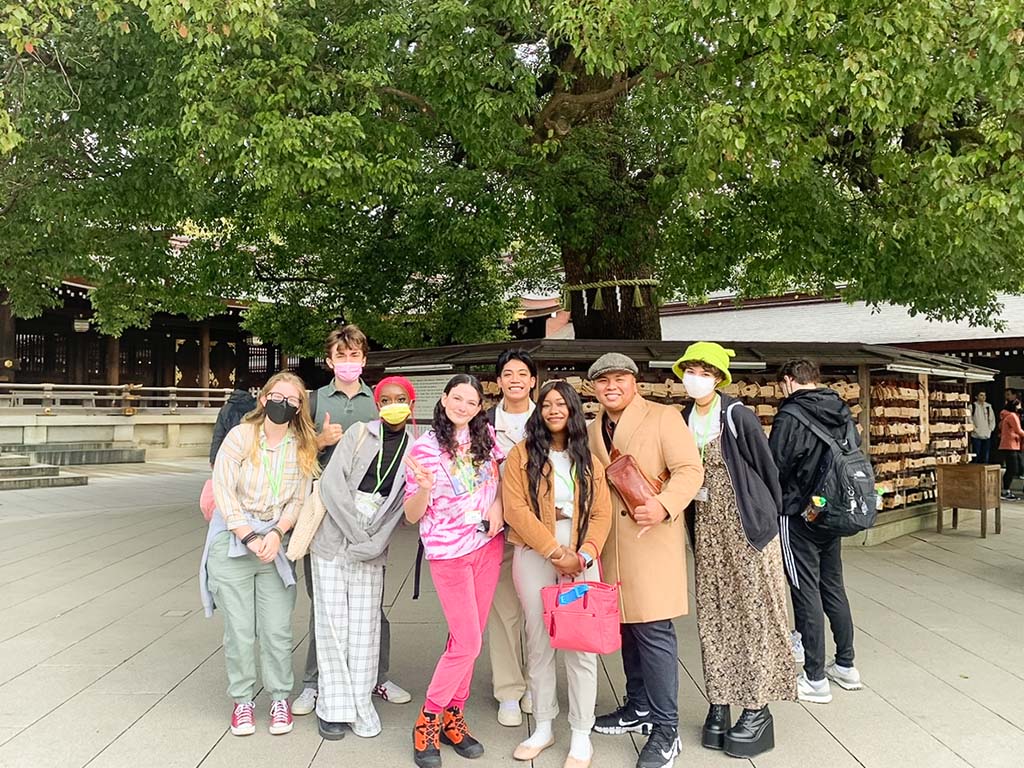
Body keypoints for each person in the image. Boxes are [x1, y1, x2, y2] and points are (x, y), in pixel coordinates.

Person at [674, 344, 795, 758]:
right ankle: (720, 698)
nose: (695, 376)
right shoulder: (681, 419)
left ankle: (756, 705)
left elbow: (766, 471)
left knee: (755, 613)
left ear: (719, 377)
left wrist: (765, 519)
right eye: (689, 369)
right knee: (714, 613)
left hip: (747, 530)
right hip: (706, 532)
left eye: (703, 370)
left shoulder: (736, 415)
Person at [586, 353, 704, 768]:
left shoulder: (663, 417)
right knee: (626, 631)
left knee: (653, 632)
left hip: (650, 538)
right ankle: (637, 706)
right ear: (593, 388)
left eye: (619, 378)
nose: (611, 387)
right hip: (611, 547)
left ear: (634, 382)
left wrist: (665, 505)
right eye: (602, 381)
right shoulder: (590, 429)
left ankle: (667, 730)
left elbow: (690, 470)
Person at [295, 325, 412, 718]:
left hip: (370, 513)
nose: (348, 363)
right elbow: (288, 449)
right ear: (329, 361)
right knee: (323, 603)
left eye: (355, 355)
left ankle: (376, 674)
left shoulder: (377, 400)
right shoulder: (313, 400)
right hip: (323, 509)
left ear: (365, 359)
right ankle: (316, 682)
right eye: (340, 356)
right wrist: (319, 441)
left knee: (369, 604)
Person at [200, 372, 319, 737]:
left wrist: (279, 532)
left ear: (300, 406)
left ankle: (280, 696)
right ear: (264, 398)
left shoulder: (301, 445)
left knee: (277, 628)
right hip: (234, 538)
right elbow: (224, 489)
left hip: (275, 543)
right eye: (277, 396)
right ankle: (242, 701)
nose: (284, 404)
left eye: (293, 399)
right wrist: (248, 534)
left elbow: (299, 498)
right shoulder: (241, 436)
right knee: (239, 629)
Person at [502, 381, 612, 768]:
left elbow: (602, 513)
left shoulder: (588, 460)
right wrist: (553, 551)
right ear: (539, 411)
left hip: (582, 557)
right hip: (535, 555)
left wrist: (582, 555)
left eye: (560, 404)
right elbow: (515, 510)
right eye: (546, 404)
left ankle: (581, 733)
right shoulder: (520, 456)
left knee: (581, 644)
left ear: (572, 410)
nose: (553, 410)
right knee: (539, 641)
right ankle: (544, 725)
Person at [405, 374, 506, 768]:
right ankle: (427, 717)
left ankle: (454, 715)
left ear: (480, 406)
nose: (463, 406)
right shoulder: (424, 449)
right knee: (467, 642)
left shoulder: (487, 438)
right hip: (448, 554)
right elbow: (412, 515)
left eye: (471, 401)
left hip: (487, 545)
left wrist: (496, 508)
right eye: (457, 398)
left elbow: (497, 483)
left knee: (469, 638)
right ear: (444, 399)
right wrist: (425, 487)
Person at [311, 376, 418, 739]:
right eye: (386, 399)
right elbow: (331, 485)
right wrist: (357, 535)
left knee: (364, 628)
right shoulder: (359, 433)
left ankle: (360, 702)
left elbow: (402, 505)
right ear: (377, 404)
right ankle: (332, 706)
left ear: (411, 403)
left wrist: (374, 542)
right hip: (333, 536)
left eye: (400, 398)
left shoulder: (415, 448)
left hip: (376, 540)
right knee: (331, 624)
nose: (393, 404)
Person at [769, 359, 863, 705]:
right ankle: (846, 664)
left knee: (804, 591)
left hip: (797, 513)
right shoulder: (841, 409)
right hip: (832, 510)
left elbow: (774, 467)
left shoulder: (790, 415)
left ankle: (814, 678)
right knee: (833, 586)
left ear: (789, 381)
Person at [484, 349, 536, 727]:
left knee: (538, 612)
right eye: (507, 373)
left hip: (540, 533)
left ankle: (538, 683)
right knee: (504, 614)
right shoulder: (482, 424)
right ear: (498, 381)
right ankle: (508, 691)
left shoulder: (552, 418)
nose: (515, 378)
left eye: (522, 373)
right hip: (497, 533)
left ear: (533, 380)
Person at [209, 374, 261, 466]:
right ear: (249, 390)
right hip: (251, 450)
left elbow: (218, 435)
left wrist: (214, 458)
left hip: (230, 449)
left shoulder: (226, 408)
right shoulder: (255, 407)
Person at [998, 393, 1024, 500]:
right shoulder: (1012, 416)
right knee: (1012, 469)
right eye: (1019, 406)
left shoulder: (1009, 416)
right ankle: (1005, 491)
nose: (1020, 408)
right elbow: (1018, 430)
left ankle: (1006, 490)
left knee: (1016, 467)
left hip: (1012, 445)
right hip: (1010, 445)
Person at [970, 390, 996, 464]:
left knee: (985, 456)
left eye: (984, 395)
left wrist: (990, 429)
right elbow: (969, 419)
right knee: (976, 455)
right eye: (981, 395)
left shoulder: (988, 406)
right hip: (976, 435)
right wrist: (974, 429)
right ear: (976, 397)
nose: (983, 397)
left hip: (986, 435)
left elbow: (992, 419)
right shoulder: (972, 406)